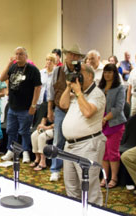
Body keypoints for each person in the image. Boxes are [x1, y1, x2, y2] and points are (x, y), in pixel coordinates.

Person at [60, 64, 106, 205]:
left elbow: (87, 112)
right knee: (71, 185)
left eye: (80, 73)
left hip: (88, 145)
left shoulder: (97, 94)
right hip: (70, 145)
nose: (77, 75)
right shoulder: (78, 93)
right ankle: (76, 214)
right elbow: (62, 104)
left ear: (90, 76)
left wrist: (78, 92)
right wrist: (69, 87)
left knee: (89, 186)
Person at [47, 44, 85, 182]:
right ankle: (55, 169)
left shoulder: (83, 70)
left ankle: (74, 169)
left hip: (77, 109)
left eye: (77, 56)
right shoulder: (57, 71)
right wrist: (49, 110)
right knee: (58, 140)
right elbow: (51, 92)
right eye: (71, 54)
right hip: (60, 109)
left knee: (76, 140)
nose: (73, 58)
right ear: (66, 55)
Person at [0, 47, 42, 163]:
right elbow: (2, 78)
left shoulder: (33, 70)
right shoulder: (13, 67)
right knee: (11, 130)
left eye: (21, 54)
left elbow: (38, 88)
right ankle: (11, 151)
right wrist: (8, 64)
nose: (18, 56)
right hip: (13, 106)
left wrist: (33, 106)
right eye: (16, 54)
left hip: (26, 107)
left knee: (24, 131)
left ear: (26, 56)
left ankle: (26, 152)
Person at [98, 63, 127, 188]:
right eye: (105, 72)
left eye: (110, 72)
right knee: (104, 153)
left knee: (112, 152)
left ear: (115, 74)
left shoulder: (120, 88)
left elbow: (118, 108)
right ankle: (105, 177)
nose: (107, 75)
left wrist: (105, 118)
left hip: (114, 123)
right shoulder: (100, 87)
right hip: (100, 123)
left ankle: (114, 178)